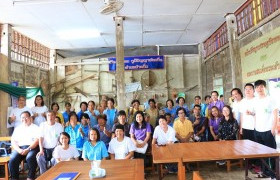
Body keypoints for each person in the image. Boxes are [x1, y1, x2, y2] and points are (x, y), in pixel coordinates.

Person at [252, 80, 278, 178]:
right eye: (257, 87)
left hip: (268, 130)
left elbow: (275, 115)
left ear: (265, 87)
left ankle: (274, 174)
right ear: (255, 89)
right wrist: (255, 126)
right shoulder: (255, 100)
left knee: (271, 153)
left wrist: (273, 128)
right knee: (261, 153)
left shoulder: (271, 99)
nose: (259, 89)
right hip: (257, 130)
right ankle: (265, 172)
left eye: (261, 87)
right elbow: (255, 114)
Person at [9, 111, 39, 180]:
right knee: (13, 160)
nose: (24, 119)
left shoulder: (35, 127)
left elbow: (37, 141)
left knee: (30, 158)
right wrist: (18, 150)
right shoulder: (18, 128)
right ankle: (14, 178)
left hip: (32, 147)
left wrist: (28, 149)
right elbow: (13, 141)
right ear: (20, 119)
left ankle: (30, 177)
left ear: (30, 118)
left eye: (26, 117)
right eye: (23, 118)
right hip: (20, 148)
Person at [36, 111, 63, 175]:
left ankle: (54, 175)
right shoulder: (42, 125)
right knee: (39, 158)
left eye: (52, 115)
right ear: (46, 116)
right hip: (45, 148)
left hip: (55, 148)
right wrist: (41, 150)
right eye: (48, 115)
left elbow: (60, 139)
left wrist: (57, 150)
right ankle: (44, 175)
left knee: (56, 160)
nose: (50, 117)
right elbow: (40, 138)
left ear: (55, 116)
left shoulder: (59, 126)